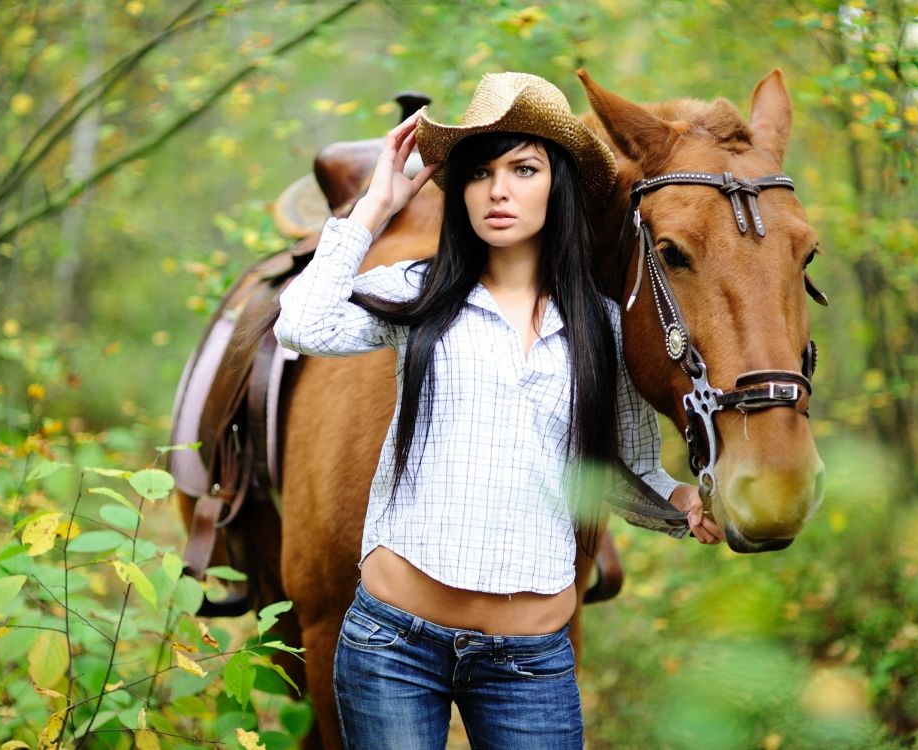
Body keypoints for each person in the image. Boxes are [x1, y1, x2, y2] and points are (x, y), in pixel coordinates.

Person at [275, 71, 721, 750]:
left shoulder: (603, 325)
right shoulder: (418, 293)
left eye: (524, 168)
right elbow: (302, 324)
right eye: (480, 172)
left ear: (559, 183)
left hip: (529, 660)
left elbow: (625, 469)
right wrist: (373, 208)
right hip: (393, 644)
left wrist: (682, 503)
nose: (499, 189)